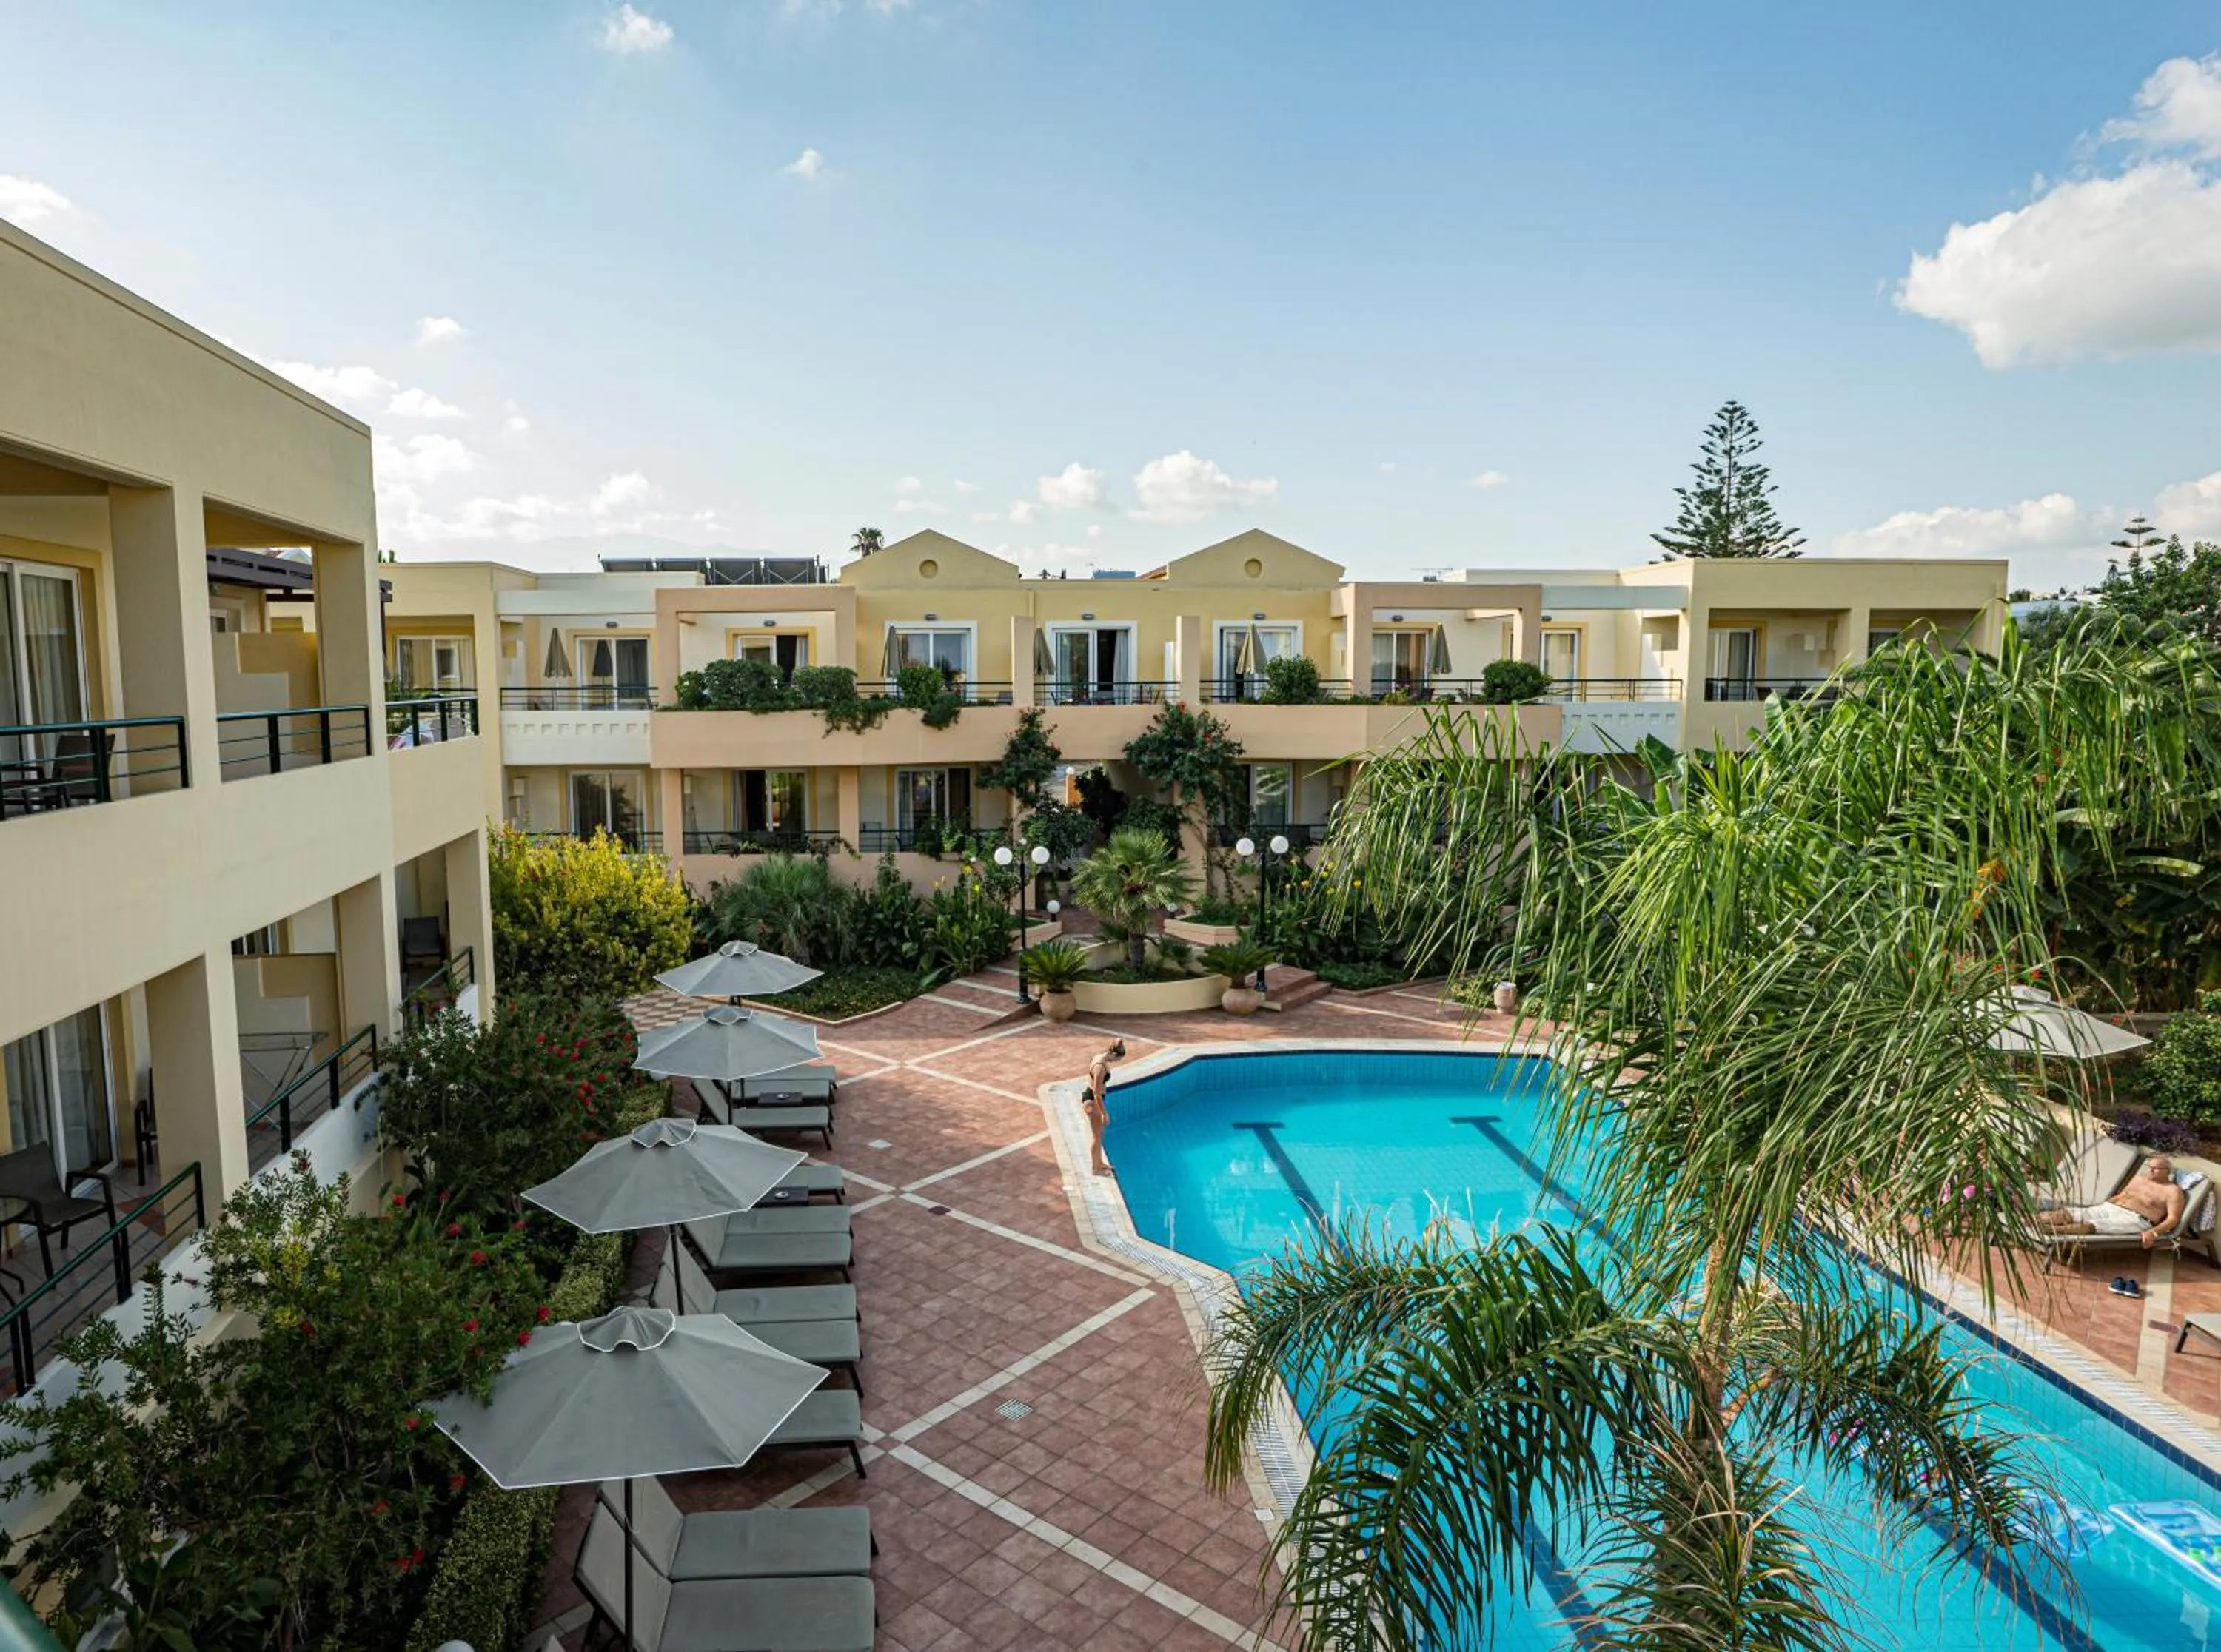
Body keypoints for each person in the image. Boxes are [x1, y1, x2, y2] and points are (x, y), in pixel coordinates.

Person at [2038, 1155, 2186, 1249]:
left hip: (2135, 1219)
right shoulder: (2139, 1178)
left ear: (2167, 1171)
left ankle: (2051, 1231)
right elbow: (2123, 1194)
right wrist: (2105, 1205)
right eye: (2150, 1167)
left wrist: (2153, 1233)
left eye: (2156, 1169)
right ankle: (2029, 1219)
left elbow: (2173, 1219)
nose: (2151, 1171)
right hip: (2111, 1208)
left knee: (2093, 1225)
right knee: (2069, 1213)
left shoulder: (2172, 1191)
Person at [1084, 1040, 1125, 1177]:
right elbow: (1096, 1094)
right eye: (1117, 1060)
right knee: (1096, 1136)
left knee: (1099, 1135)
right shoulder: (1100, 1067)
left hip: (1093, 1100)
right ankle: (1095, 1169)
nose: (1116, 1062)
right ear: (1114, 1054)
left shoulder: (1100, 1056)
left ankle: (1099, 1163)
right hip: (1092, 1102)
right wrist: (1104, 1114)